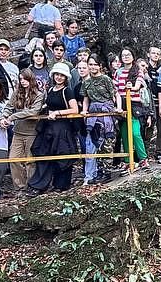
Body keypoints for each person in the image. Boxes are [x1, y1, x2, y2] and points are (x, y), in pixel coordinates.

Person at [28, 64, 79, 194]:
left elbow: (74, 109)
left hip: (63, 128)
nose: (59, 77)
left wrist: (57, 113)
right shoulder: (50, 90)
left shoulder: (67, 91)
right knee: (45, 154)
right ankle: (39, 185)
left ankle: (61, 185)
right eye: (57, 74)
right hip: (49, 127)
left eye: (62, 75)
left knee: (62, 155)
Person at [7, 69, 45, 192]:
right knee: (13, 159)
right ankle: (20, 187)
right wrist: (4, 116)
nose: (23, 82)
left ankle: (31, 186)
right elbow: (9, 106)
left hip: (31, 132)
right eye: (21, 79)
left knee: (30, 161)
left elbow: (33, 112)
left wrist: (13, 116)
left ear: (31, 79)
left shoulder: (39, 95)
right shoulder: (17, 93)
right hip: (18, 131)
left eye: (25, 79)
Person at [82, 56, 116, 186]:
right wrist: (85, 111)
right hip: (93, 113)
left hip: (106, 111)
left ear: (100, 66)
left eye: (95, 64)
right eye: (90, 64)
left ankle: (107, 171)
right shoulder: (86, 82)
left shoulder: (106, 79)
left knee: (107, 141)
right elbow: (86, 98)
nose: (93, 67)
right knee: (94, 141)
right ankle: (98, 171)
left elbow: (115, 94)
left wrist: (116, 108)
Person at [118, 62, 149, 169]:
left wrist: (130, 87)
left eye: (128, 55)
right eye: (124, 55)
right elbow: (115, 89)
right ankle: (128, 160)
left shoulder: (137, 71)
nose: (126, 57)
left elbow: (137, 87)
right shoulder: (119, 72)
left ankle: (143, 158)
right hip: (121, 104)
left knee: (135, 133)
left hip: (134, 105)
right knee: (125, 133)